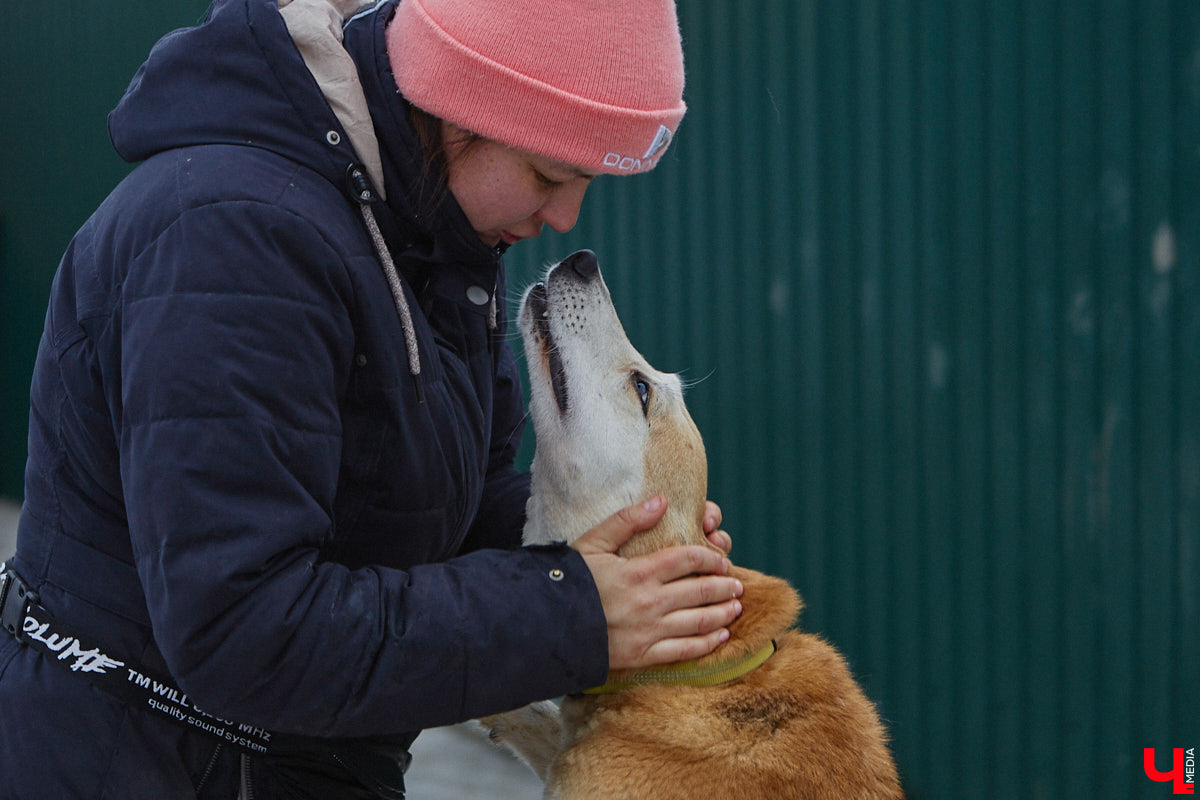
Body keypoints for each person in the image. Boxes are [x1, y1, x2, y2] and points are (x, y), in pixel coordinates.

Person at [0, 0, 744, 797]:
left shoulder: (429, 233)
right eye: (548, 174)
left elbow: (431, 513)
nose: (562, 218)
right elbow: (244, 632)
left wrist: (606, 549)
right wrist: (570, 614)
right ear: (460, 104)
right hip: (144, 765)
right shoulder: (234, 240)